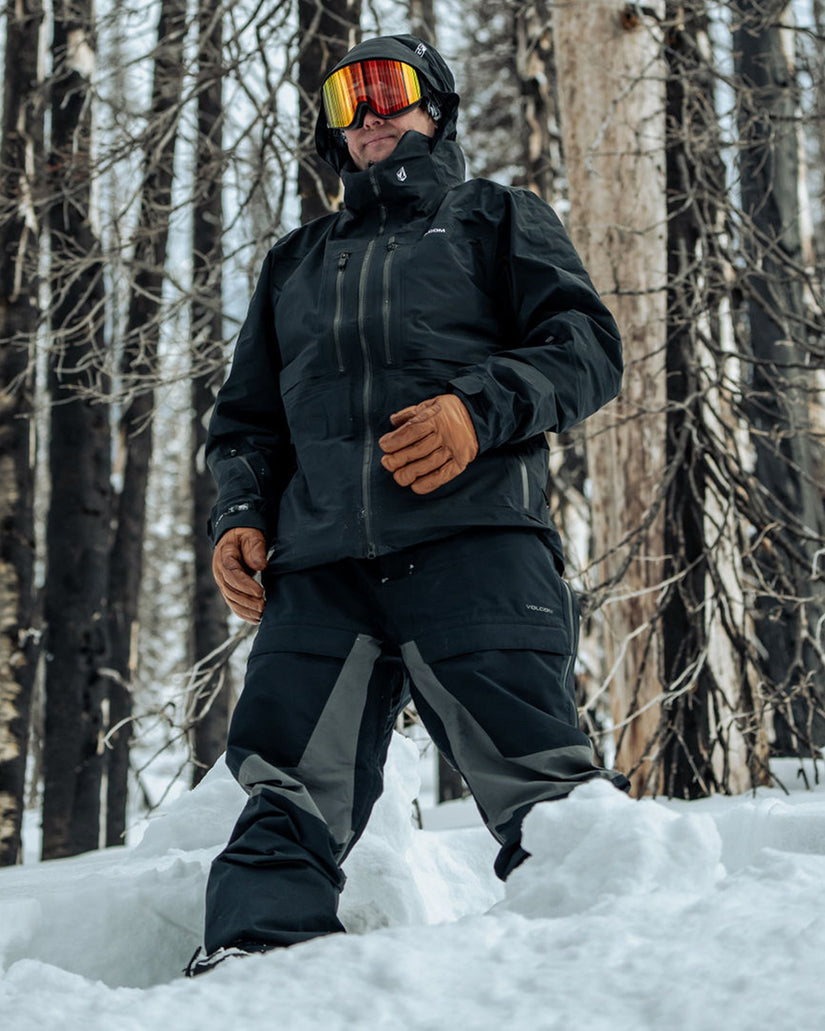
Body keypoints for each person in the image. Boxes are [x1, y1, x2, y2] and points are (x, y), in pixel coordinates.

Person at [186, 33, 629, 976]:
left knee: (540, 777)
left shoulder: (495, 218)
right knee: (284, 788)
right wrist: (240, 515)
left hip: (473, 541)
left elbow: (585, 349)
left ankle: (613, 959)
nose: (369, 115)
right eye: (346, 102)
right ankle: (251, 968)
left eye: (387, 90)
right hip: (319, 568)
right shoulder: (296, 261)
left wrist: (476, 409)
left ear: (435, 107)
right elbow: (247, 422)